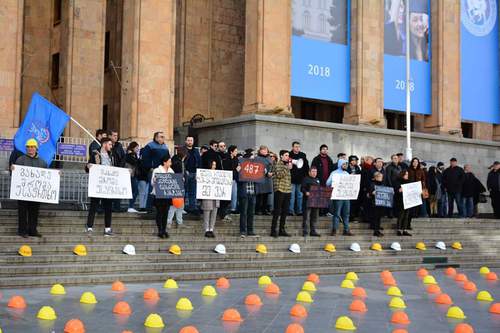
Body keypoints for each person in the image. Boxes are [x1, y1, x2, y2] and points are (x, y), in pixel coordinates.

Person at [12, 139, 47, 238]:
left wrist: (57, 174)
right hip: (23, 193)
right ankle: (22, 231)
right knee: (22, 212)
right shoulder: (20, 160)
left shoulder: (42, 162)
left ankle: (33, 230)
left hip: (36, 193)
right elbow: (15, 176)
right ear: (26, 148)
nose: (30, 148)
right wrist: (13, 170)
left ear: (36, 148)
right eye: (28, 147)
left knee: (34, 212)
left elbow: (48, 177)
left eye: (32, 147)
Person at [86, 137, 114, 236]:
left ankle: (107, 228)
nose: (111, 146)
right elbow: (88, 167)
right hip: (98, 184)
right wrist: (88, 166)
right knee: (94, 205)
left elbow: (116, 168)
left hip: (108, 185)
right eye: (110, 144)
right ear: (104, 144)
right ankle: (89, 227)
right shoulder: (95, 154)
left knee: (108, 207)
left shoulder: (112, 155)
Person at [141, 131, 170, 211]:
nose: (163, 138)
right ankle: (149, 207)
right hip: (153, 171)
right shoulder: (150, 146)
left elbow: (168, 159)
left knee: (161, 190)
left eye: (163, 137)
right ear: (156, 137)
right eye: (161, 136)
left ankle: (157, 207)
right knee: (151, 189)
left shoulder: (165, 147)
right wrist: (150, 167)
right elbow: (145, 158)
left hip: (163, 171)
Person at [326, 159, 354, 236]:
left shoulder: (347, 173)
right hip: (338, 197)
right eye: (344, 164)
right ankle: (334, 229)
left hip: (346, 197)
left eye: (346, 164)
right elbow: (327, 183)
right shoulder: (334, 173)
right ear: (340, 164)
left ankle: (346, 229)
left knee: (346, 214)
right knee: (337, 214)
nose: (345, 166)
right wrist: (334, 181)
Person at [270, 150, 292, 238]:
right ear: (281, 156)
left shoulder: (286, 165)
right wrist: (287, 168)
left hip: (287, 190)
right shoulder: (278, 164)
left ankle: (281, 230)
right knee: (277, 211)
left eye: (288, 155)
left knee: (285, 211)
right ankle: (273, 230)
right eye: (286, 155)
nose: (287, 157)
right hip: (279, 190)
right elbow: (279, 175)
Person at [237, 149, 258, 238]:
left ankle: (250, 230)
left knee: (251, 212)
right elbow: (238, 179)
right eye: (253, 155)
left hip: (253, 192)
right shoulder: (241, 165)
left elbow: (261, 175)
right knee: (244, 212)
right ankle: (243, 230)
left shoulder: (256, 166)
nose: (254, 157)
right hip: (244, 192)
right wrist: (238, 171)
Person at [151, 155, 173, 238]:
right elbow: (152, 183)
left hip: (167, 195)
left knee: (166, 213)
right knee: (160, 212)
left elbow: (174, 182)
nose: (171, 163)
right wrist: (155, 180)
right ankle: (160, 229)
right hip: (159, 194)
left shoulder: (171, 171)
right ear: (165, 162)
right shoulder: (157, 170)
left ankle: (164, 229)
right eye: (169, 161)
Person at [180, 135, 201, 215]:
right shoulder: (182, 150)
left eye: (191, 140)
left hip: (194, 173)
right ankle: (182, 207)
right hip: (185, 173)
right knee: (184, 191)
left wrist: (198, 172)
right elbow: (180, 161)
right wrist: (184, 171)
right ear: (186, 141)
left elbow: (199, 161)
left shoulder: (196, 151)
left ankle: (192, 207)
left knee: (193, 191)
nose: (190, 142)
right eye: (188, 140)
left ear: (193, 141)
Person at [167, 150, 187, 228]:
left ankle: (177, 222)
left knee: (179, 205)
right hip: (177, 185)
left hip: (178, 185)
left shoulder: (175, 161)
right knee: (175, 205)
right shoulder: (178, 162)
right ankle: (171, 222)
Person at [289, 141, 309, 216]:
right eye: (296, 146)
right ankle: (290, 210)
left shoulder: (303, 155)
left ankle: (299, 211)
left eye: (298, 147)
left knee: (300, 196)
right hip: (291, 179)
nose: (297, 148)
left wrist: (305, 177)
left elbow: (306, 166)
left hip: (301, 179)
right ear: (293, 147)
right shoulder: (289, 155)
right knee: (292, 195)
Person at [202, 160, 220, 238]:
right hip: (207, 196)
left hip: (216, 197)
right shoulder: (204, 174)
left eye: (215, 165)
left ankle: (211, 229)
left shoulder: (219, 174)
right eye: (213, 165)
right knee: (206, 214)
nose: (214, 166)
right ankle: (206, 230)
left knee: (214, 214)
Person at [301, 166, 321, 237]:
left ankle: (313, 231)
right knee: (306, 217)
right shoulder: (306, 179)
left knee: (314, 217)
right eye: (313, 171)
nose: (314, 173)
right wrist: (306, 192)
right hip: (307, 201)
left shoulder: (317, 180)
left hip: (315, 201)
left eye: (315, 172)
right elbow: (302, 188)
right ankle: (305, 231)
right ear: (309, 172)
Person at [407, 157, 427, 223]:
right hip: (411, 188)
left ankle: (418, 214)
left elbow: (423, 180)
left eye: (416, 162)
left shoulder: (421, 170)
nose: (415, 163)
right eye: (414, 161)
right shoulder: (408, 169)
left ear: (418, 163)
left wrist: (423, 188)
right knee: (411, 202)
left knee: (418, 202)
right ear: (412, 162)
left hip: (418, 188)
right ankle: (411, 214)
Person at [255, 146, 273, 215]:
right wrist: (265, 172)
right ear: (260, 151)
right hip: (260, 178)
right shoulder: (257, 158)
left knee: (266, 195)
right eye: (263, 150)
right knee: (259, 195)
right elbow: (257, 167)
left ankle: (264, 209)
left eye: (266, 150)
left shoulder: (269, 158)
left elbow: (273, 167)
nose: (265, 151)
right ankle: (258, 209)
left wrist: (271, 173)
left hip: (268, 179)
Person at [367, 172, 386, 237]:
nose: (381, 178)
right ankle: (376, 231)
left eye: (382, 177)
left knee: (379, 217)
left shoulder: (382, 184)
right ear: (376, 177)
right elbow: (371, 192)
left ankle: (377, 228)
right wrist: (373, 192)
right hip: (374, 203)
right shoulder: (372, 184)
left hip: (380, 203)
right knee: (376, 217)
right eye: (380, 177)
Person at [124, 142, 141, 213]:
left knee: (135, 191)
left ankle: (131, 206)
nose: (138, 149)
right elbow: (135, 162)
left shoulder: (134, 155)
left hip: (134, 175)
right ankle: (130, 206)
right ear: (133, 148)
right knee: (135, 191)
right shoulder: (129, 155)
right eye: (137, 148)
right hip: (131, 175)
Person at [395, 170, 412, 236]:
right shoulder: (398, 181)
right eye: (406, 174)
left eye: (407, 174)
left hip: (408, 201)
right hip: (400, 200)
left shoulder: (409, 181)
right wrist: (400, 190)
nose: (407, 176)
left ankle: (404, 229)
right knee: (401, 215)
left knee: (406, 216)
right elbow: (397, 190)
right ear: (402, 175)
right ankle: (399, 229)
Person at [347, 155, 362, 221]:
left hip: (355, 187)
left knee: (355, 202)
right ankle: (349, 215)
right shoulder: (347, 167)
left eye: (356, 161)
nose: (355, 162)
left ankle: (353, 215)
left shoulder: (357, 168)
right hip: (348, 187)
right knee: (349, 203)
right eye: (353, 160)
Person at [225, 145, 240, 214]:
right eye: (235, 151)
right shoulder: (226, 158)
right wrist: (235, 169)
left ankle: (233, 208)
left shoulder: (236, 159)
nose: (236, 152)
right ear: (231, 151)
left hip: (234, 179)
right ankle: (226, 208)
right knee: (227, 195)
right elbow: (227, 168)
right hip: (228, 179)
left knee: (234, 194)